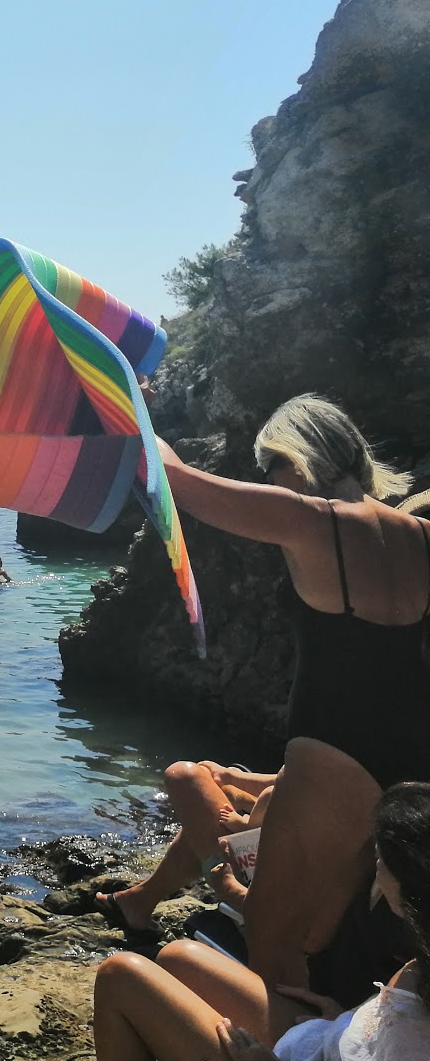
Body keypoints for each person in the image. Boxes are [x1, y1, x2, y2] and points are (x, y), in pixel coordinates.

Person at [158, 393, 430, 1028]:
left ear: (295, 456)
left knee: (274, 940)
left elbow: (177, 482)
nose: (268, 480)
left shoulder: (311, 518)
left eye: (268, 464)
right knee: (354, 929)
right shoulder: (421, 534)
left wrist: (135, 414)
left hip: (335, 752)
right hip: (412, 756)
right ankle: (351, 1046)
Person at [93, 781, 430, 1061]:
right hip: (327, 1050)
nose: (373, 863)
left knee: (120, 975)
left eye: (381, 859)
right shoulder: (422, 958)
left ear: (410, 886)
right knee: (179, 957)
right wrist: (349, 1020)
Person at [96, 761, 280, 932]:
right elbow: (301, 784)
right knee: (227, 791)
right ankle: (139, 900)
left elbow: (289, 789)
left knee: (185, 776)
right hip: (293, 875)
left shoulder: (293, 779)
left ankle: (141, 900)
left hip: (266, 899)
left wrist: (244, 825)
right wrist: (232, 778)